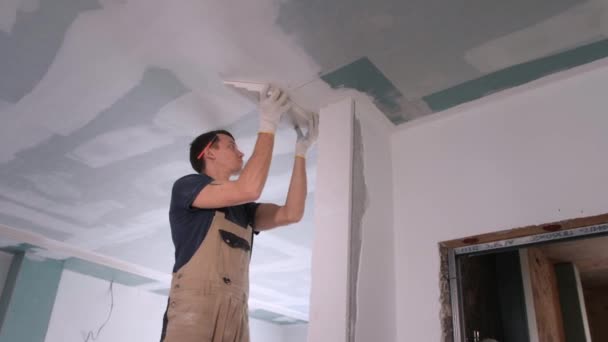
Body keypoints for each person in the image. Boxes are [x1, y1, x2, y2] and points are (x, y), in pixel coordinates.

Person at [160, 85, 319, 342]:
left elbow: (292, 214)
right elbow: (249, 188)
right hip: (195, 307)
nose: (241, 152)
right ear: (209, 152)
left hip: (237, 312)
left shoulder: (245, 211)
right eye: (231, 145)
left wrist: (301, 153)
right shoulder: (187, 186)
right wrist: (268, 123)